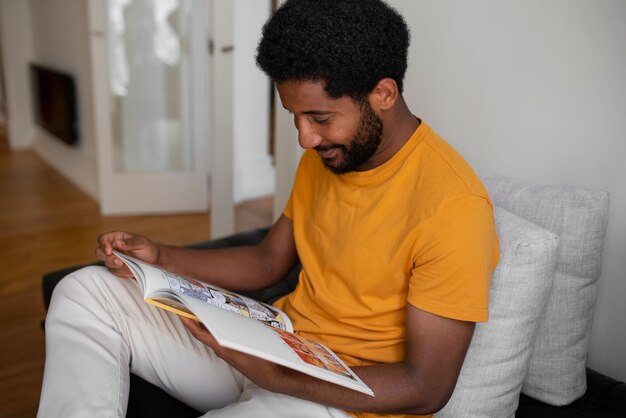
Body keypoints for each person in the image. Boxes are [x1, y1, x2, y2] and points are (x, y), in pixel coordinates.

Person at [37, 0, 499, 417]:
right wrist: (160, 257)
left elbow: (426, 387)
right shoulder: (329, 157)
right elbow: (267, 261)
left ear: (383, 93)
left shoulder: (453, 208)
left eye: (320, 118)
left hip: (342, 395)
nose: (305, 139)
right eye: (294, 116)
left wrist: (278, 379)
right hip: (273, 346)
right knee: (84, 290)